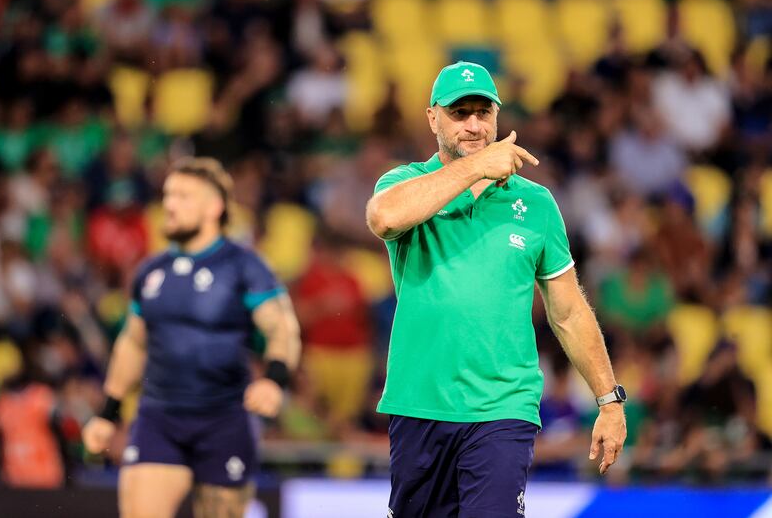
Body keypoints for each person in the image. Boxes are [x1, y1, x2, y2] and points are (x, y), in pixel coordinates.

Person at [366, 61, 627, 518]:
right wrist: (475, 169)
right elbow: (384, 218)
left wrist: (608, 401)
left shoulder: (537, 204)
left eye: (482, 113)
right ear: (433, 119)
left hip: (503, 408)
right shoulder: (404, 182)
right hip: (419, 403)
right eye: (459, 112)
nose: (472, 124)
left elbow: (568, 312)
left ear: (497, 118)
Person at [82, 157, 301, 518]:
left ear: (214, 206)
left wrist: (274, 381)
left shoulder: (244, 266)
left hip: (224, 420)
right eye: (168, 195)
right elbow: (133, 344)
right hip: (159, 418)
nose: (169, 204)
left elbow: (282, 328)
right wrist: (108, 413)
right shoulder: (151, 271)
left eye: (184, 196)